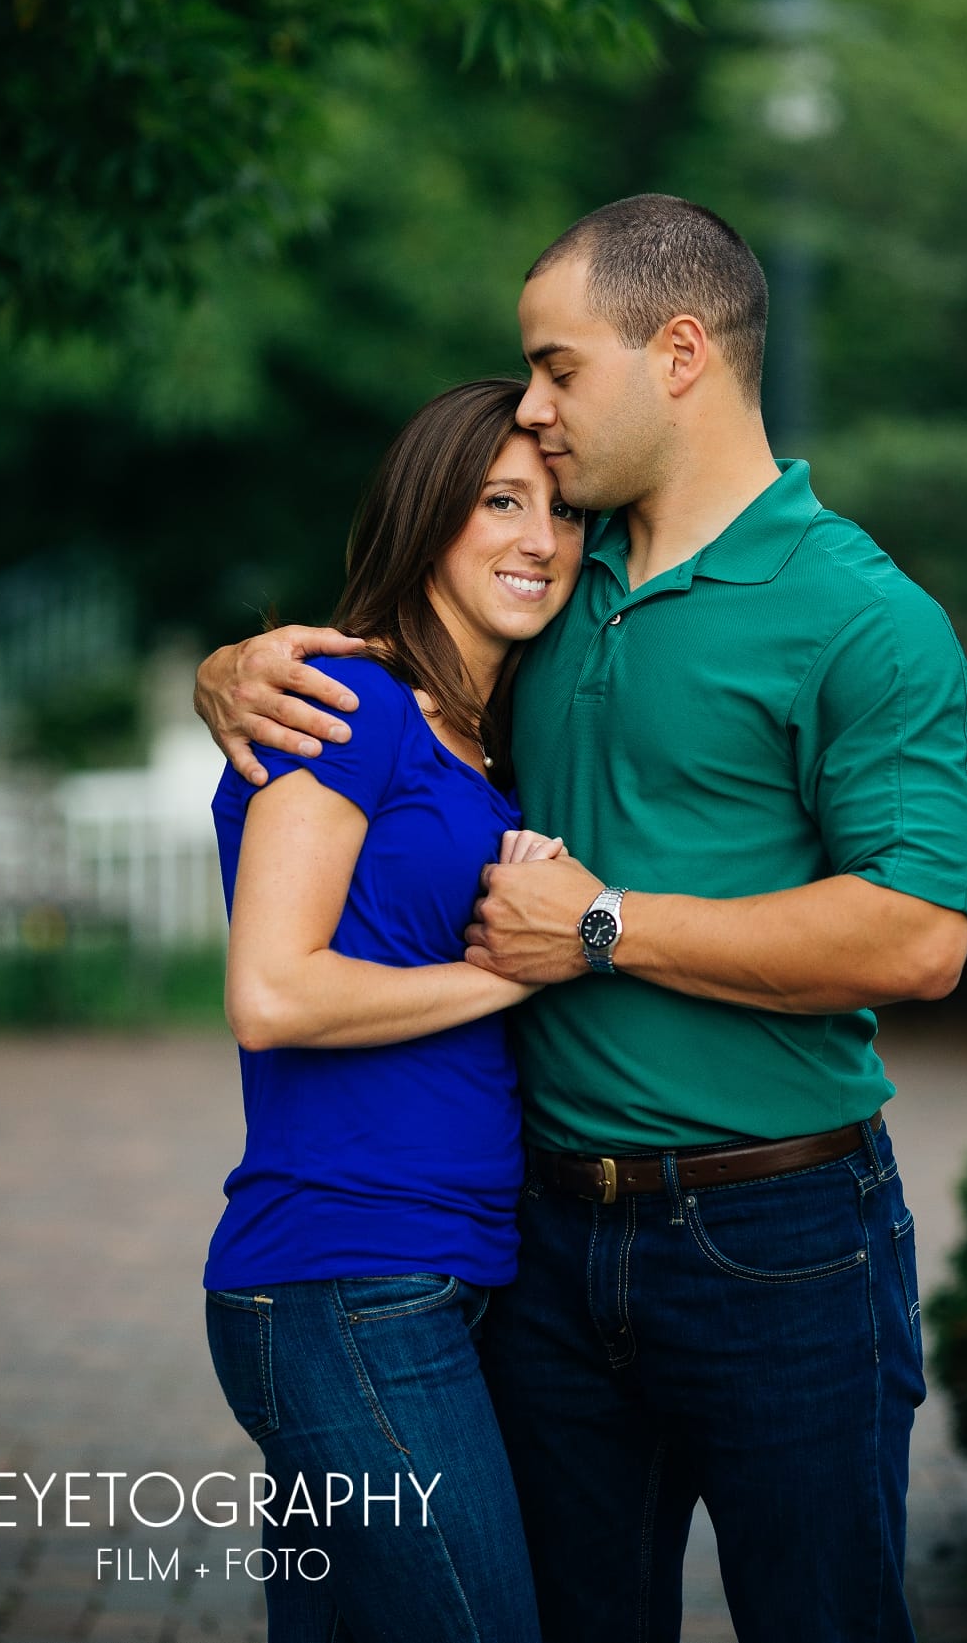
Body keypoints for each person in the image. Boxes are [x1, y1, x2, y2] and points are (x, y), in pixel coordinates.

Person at [195, 193, 967, 1643]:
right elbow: (389, 677)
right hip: (542, 1246)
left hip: (781, 1235)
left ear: (679, 351)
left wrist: (605, 925)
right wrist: (235, 670)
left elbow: (920, 935)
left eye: (559, 369)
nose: (540, 417)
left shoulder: (865, 618)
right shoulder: (558, 588)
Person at [207, 376, 584, 1641]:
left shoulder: (483, 745)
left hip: (436, 1274)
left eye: (561, 509)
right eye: (499, 502)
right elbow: (272, 990)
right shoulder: (351, 706)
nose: (539, 539)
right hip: (345, 1279)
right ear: (430, 515)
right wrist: (521, 963)